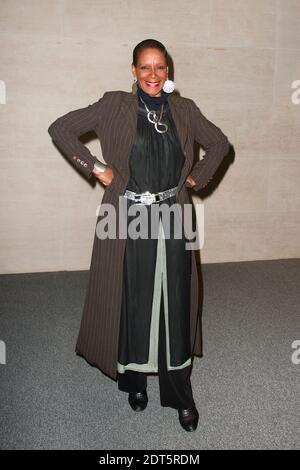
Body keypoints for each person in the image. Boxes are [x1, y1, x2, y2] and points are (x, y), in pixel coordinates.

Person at [48, 39, 229, 432]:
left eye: (159, 67)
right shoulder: (114, 104)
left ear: (168, 71)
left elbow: (218, 143)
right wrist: (97, 167)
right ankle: (135, 383)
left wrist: (196, 177)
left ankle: (180, 392)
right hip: (127, 214)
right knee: (132, 298)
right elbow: (61, 129)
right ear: (133, 70)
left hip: (172, 214)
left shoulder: (184, 109)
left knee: (176, 301)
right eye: (145, 67)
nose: (152, 75)